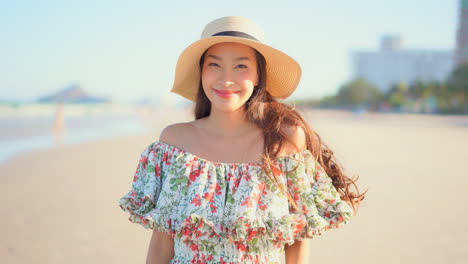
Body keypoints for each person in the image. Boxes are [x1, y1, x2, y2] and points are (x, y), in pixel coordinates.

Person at [119, 16, 366, 264]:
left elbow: (298, 242)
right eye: (214, 65)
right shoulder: (173, 144)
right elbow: (162, 240)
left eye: (241, 66)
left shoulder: (285, 142)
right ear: (201, 72)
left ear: (259, 76)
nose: (226, 79)